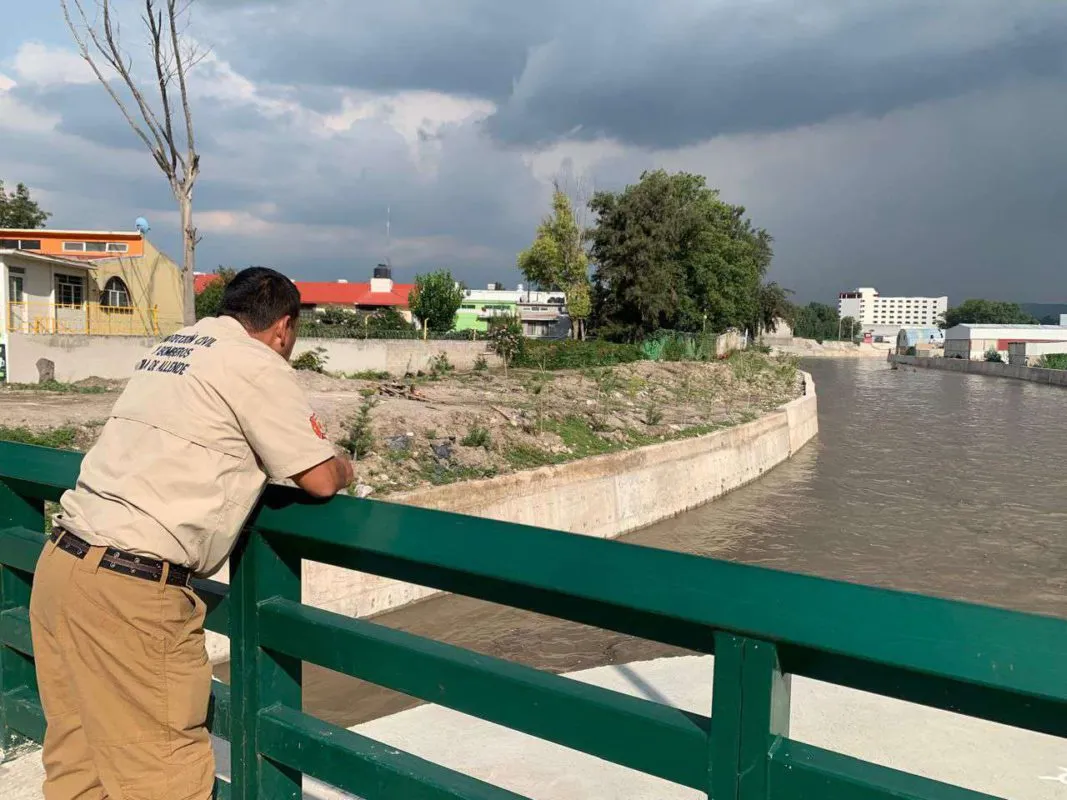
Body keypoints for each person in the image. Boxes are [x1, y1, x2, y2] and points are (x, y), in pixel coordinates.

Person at [29, 267, 354, 800]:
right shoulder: (255, 362)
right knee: (166, 781)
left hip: (63, 564)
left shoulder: (177, 344)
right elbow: (318, 478)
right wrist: (347, 467)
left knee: (79, 772)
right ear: (284, 327)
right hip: (131, 592)